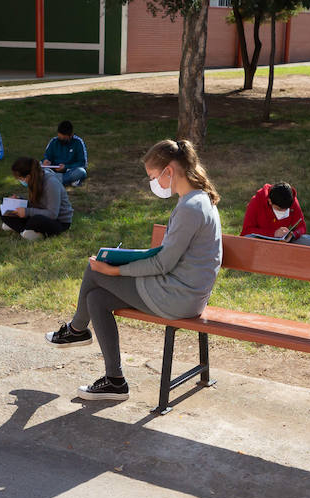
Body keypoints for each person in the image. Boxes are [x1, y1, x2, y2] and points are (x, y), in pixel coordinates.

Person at [44, 138, 222, 399]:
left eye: (153, 177)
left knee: (94, 270)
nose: (154, 184)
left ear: (169, 171)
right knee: (96, 298)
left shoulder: (191, 207)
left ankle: (76, 330)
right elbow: (164, 255)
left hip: (178, 298)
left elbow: (162, 263)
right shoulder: (196, 199)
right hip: (181, 292)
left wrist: (115, 270)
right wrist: (122, 259)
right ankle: (114, 381)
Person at [2, 156, 73, 241]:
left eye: (20, 178)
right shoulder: (33, 181)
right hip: (41, 213)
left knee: (36, 220)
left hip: (59, 221)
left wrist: (27, 211)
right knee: (5, 212)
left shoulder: (51, 183)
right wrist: (18, 201)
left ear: (27, 177)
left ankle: (24, 230)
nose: (20, 181)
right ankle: (26, 231)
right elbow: (36, 204)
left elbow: (53, 214)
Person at [239, 181, 310, 245]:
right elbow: (246, 231)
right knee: (248, 239)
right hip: (261, 241)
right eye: (279, 209)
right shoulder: (256, 201)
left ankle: (288, 259)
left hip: (283, 242)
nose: (283, 212)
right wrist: (273, 233)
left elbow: (302, 226)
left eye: (286, 209)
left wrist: (292, 234)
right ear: (270, 201)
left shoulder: (291, 199)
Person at [40, 120, 88, 187]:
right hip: (54, 170)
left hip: (69, 171)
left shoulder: (78, 142)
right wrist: (46, 160)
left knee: (81, 172)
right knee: (39, 165)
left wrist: (66, 167)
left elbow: (83, 163)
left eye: (64, 138)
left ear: (71, 135)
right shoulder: (54, 141)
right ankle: (63, 181)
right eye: (59, 137)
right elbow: (47, 156)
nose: (61, 140)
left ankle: (52, 181)